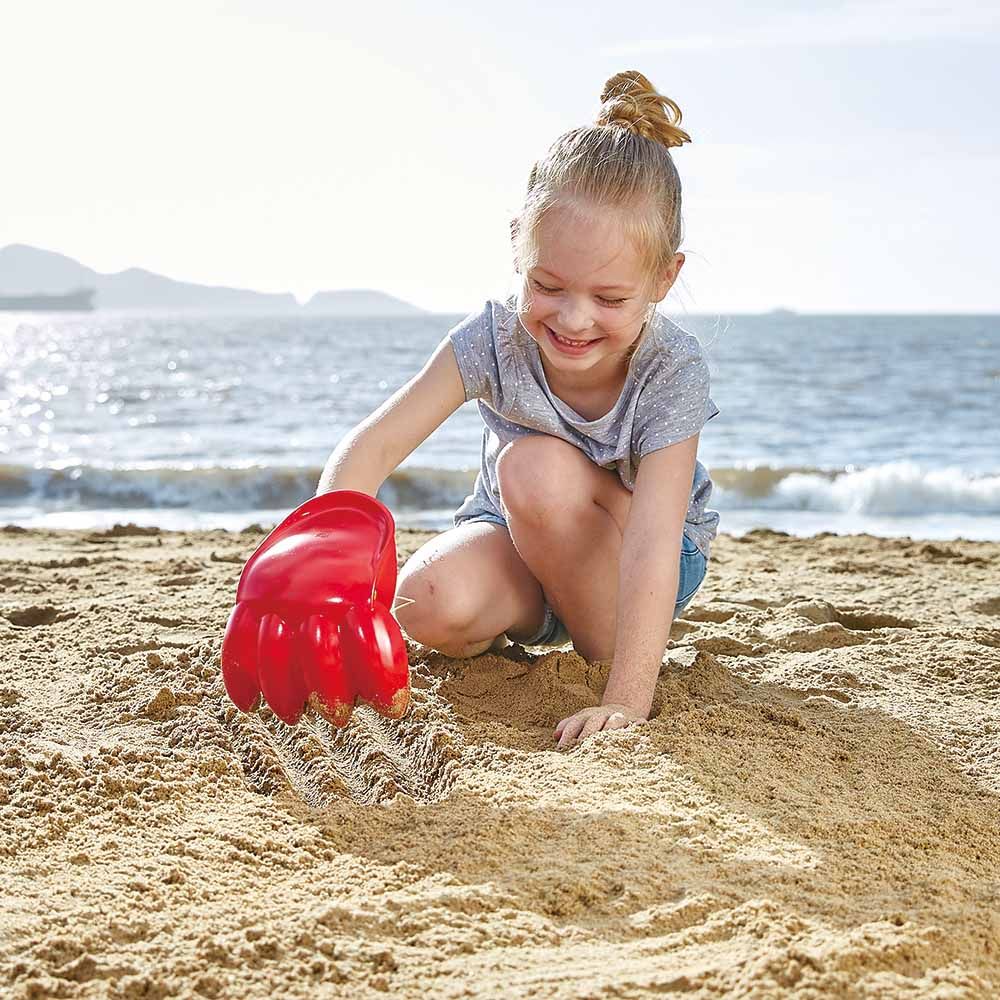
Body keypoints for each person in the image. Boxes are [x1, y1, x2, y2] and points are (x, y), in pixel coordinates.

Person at [316, 70, 720, 749]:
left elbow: (654, 540)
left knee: (533, 468)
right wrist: (324, 565)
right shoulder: (493, 339)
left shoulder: (671, 370)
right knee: (424, 604)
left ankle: (602, 654)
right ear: (517, 246)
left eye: (611, 299)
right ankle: (546, 622)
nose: (573, 318)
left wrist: (625, 699)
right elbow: (376, 446)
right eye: (547, 284)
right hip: (523, 539)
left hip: (641, 556)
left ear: (664, 279)